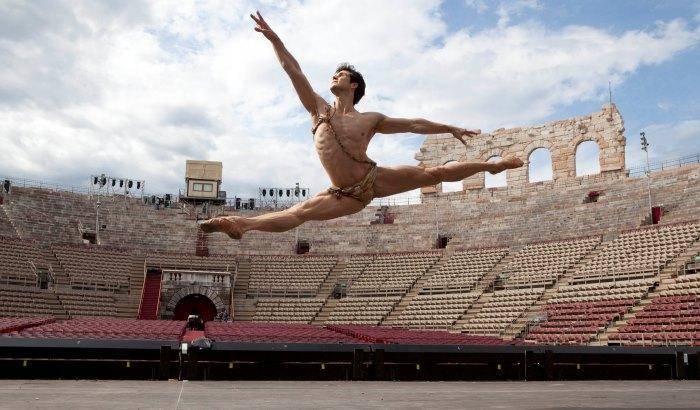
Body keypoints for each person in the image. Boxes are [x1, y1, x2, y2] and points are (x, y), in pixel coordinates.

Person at [200, 11, 524, 240]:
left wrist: (448, 127)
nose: (334, 76)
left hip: (373, 179)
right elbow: (293, 71)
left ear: (354, 85)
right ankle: (241, 224)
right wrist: (276, 41)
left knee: (433, 174)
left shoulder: (370, 120)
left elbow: (412, 124)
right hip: (344, 195)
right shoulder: (318, 110)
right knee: (299, 214)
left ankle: (492, 167)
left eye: (340, 74)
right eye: (334, 74)